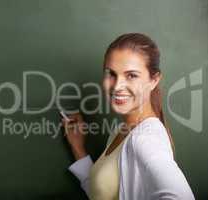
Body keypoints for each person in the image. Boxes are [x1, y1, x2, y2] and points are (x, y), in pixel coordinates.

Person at [62, 33, 195, 200]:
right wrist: (78, 148)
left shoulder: (145, 137)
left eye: (131, 75)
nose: (117, 86)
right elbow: (101, 193)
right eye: (111, 73)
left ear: (154, 80)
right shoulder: (121, 131)